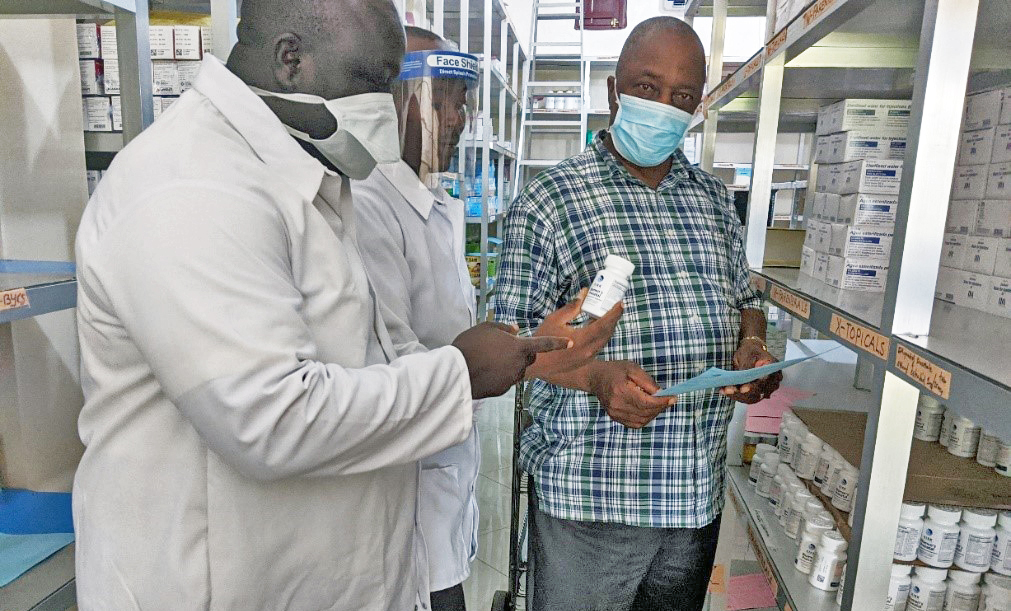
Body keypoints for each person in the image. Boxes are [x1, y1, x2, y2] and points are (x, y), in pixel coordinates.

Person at [70, 1, 586, 609]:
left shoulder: (304, 167)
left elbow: (377, 352)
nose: (388, 109)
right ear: (291, 59)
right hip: (216, 587)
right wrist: (461, 372)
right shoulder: (190, 183)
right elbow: (268, 419)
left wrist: (496, 358)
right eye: (372, 81)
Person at [495, 16, 783, 611]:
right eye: (648, 88)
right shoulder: (550, 201)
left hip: (694, 495)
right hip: (593, 500)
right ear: (613, 90)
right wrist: (595, 378)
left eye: (682, 96)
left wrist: (751, 349)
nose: (664, 106)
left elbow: (746, 302)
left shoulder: (711, 199)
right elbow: (510, 350)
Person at [353, 27, 622, 611]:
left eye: (461, 104)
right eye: (438, 102)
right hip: (403, 504)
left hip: (444, 489)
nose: (453, 120)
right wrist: (514, 356)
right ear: (388, 103)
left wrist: (533, 342)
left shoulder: (438, 205)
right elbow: (391, 373)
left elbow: (457, 344)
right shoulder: (371, 208)